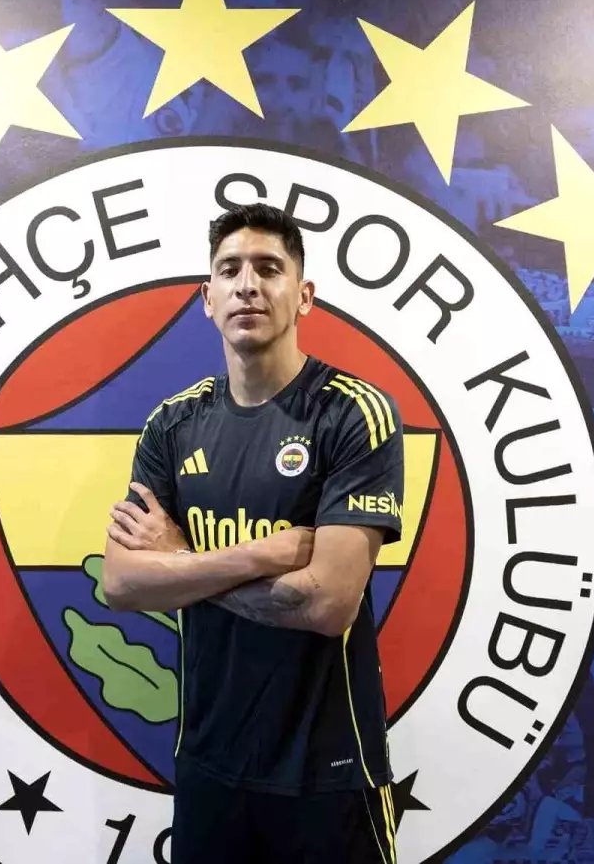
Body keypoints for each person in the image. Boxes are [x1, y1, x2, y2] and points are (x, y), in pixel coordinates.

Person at [102, 203, 404, 863]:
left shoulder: (354, 414)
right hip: (209, 765)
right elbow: (121, 583)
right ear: (207, 298)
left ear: (304, 295)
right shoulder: (173, 424)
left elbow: (327, 604)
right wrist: (262, 554)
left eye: (269, 268)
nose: (248, 285)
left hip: (328, 770)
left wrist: (180, 563)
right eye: (229, 269)